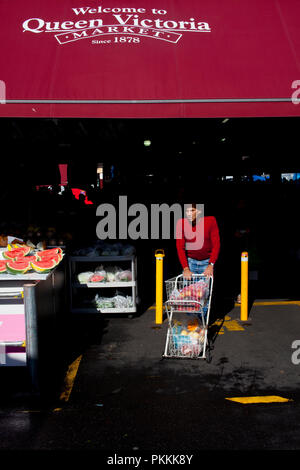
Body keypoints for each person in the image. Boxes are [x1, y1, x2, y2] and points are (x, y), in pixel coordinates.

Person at [176, 203, 220, 279]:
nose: (189, 214)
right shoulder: (181, 223)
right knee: (188, 289)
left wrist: (210, 265)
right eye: (187, 211)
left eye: (192, 210)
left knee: (205, 290)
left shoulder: (210, 221)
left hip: (207, 262)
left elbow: (216, 245)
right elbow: (180, 248)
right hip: (190, 263)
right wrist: (186, 268)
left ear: (199, 211)